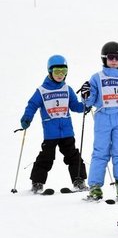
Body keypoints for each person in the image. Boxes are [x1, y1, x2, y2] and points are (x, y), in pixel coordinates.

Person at [78, 41, 118, 201]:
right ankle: (95, 186)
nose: (114, 61)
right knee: (100, 151)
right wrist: (86, 94)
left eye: (117, 58)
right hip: (103, 116)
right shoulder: (97, 77)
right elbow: (89, 101)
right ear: (104, 59)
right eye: (111, 57)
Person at [20, 55, 88, 194]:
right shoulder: (42, 91)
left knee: (73, 156)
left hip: (67, 131)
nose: (60, 75)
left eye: (63, 71)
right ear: (50, 72)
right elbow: (32, 105)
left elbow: (75, 106)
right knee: (46, 157)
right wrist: (27, 118)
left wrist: (86, 105)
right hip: (51, 132)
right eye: (57, 71)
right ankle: (37, 183)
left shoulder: (67, 89)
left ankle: (79, 180)